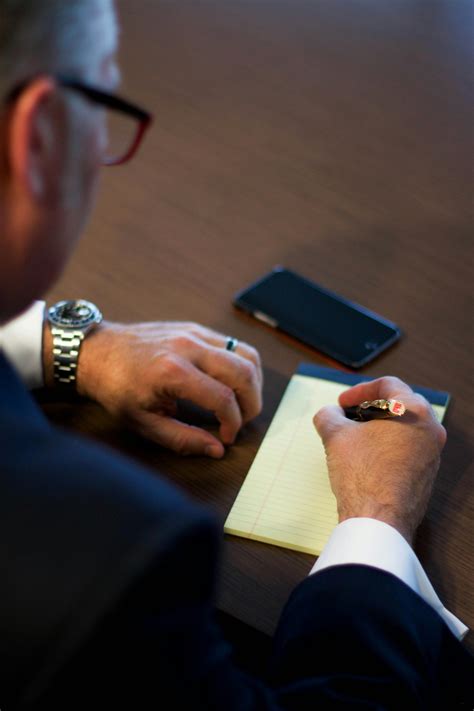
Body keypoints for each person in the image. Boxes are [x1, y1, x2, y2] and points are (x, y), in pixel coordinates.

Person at [0, 1, 472, 708]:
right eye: (100, 103)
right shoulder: (106, 553)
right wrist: (376, 523)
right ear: (37, 137)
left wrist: (70, 347)